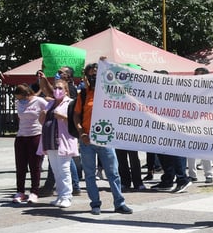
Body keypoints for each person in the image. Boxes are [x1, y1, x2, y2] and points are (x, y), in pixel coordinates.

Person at [73, 62, 133, 215]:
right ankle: (95, 204)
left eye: (96, 74)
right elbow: (76, 115)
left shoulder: (110, 92)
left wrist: (105, 63)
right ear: (87, 77)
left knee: (113, 173)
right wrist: (81, 133)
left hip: (106, 140)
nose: (94, 77)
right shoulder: (84, 94)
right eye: (91, 75)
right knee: (90, 174)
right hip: (87, 141)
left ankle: (119, 203)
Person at [37, 77, 78, 208]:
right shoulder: (50, 104)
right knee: (56, 170)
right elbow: (42, 122)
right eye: (55, 88)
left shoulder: (70, 103)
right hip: (50, 141)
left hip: (63, 141)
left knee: (64, 169)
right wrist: (42, 116)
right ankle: (60, 195)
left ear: (66, 91)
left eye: (60, 88)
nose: (57, 90)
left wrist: (63, 117)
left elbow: (75, 122)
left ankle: (67, 196)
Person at [12, 83, 47, 203]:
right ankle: (20, 191)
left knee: (35, 166)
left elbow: (49, 109)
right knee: (20, 166)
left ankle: (34, 192)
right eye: (17, 98)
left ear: (26, 94)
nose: (19, 100)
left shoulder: (39, 101)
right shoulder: (18, 103)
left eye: (21, 98)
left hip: (35, 135)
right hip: (21, 136)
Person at [187, 66, 213, 184]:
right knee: (190, 150)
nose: (197, 78)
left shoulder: (212, 90)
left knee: (205, 149)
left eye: (200, 75)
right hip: (191, 122)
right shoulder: (190, 89)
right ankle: (192, 175)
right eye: (196, 75)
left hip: (206, 123)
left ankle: (209, 174)